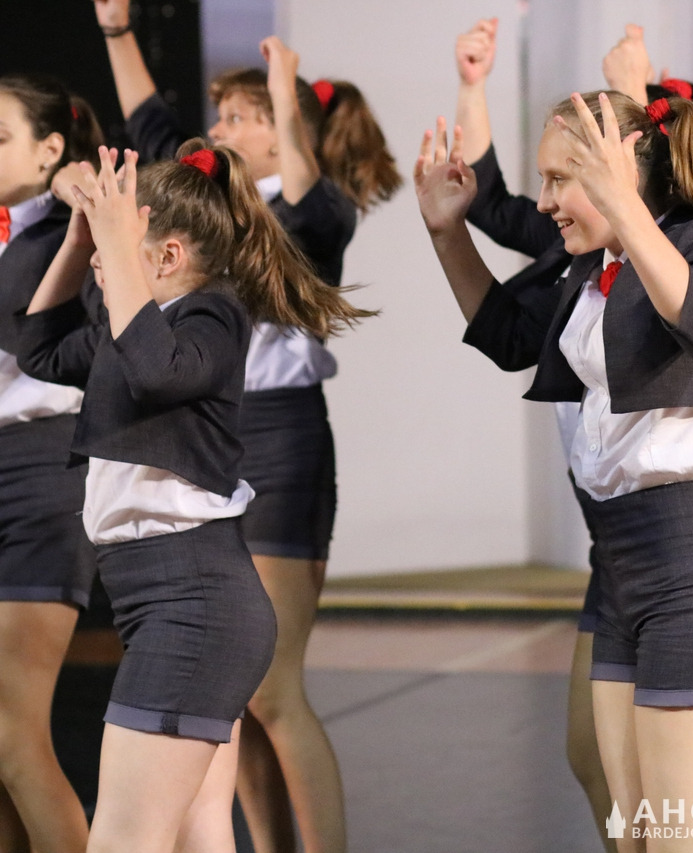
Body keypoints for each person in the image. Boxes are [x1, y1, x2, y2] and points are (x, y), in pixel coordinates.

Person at [416, 86, 693, 851]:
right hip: (619, 561)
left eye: (560, 179)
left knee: (685, 839)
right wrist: (448, 234)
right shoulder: (588, 265)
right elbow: (510, 337)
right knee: (632, 831)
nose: (544, 202)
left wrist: (626, 210)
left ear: (619, 170)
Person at [93, 2, 401, 848]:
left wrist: (284, 91)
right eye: (221, 114)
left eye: (241, 117)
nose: (220, 128)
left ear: (284, 133)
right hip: (211, 431)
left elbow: (309, 201)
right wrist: (118, 32)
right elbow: (151, 125)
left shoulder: (301, 215)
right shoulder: (207, 207)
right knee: (232, 701)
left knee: (272, 688)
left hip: (282, 435)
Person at [17, 139, 370, 853]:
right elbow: (39, 348)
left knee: (123, 839)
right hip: (165, 602)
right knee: (199, 836)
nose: (99, 266)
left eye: (114, 250)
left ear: (169, 255)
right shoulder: (129, 329)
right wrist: (84, 238)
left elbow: (158, 372)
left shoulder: (211, 315)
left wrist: (119, 253)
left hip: (193, 602)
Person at [0, 70, 102, 853]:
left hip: (41, 473)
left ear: (50, 149)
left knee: (12, 730)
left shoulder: (69, 228)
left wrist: (78, 193)